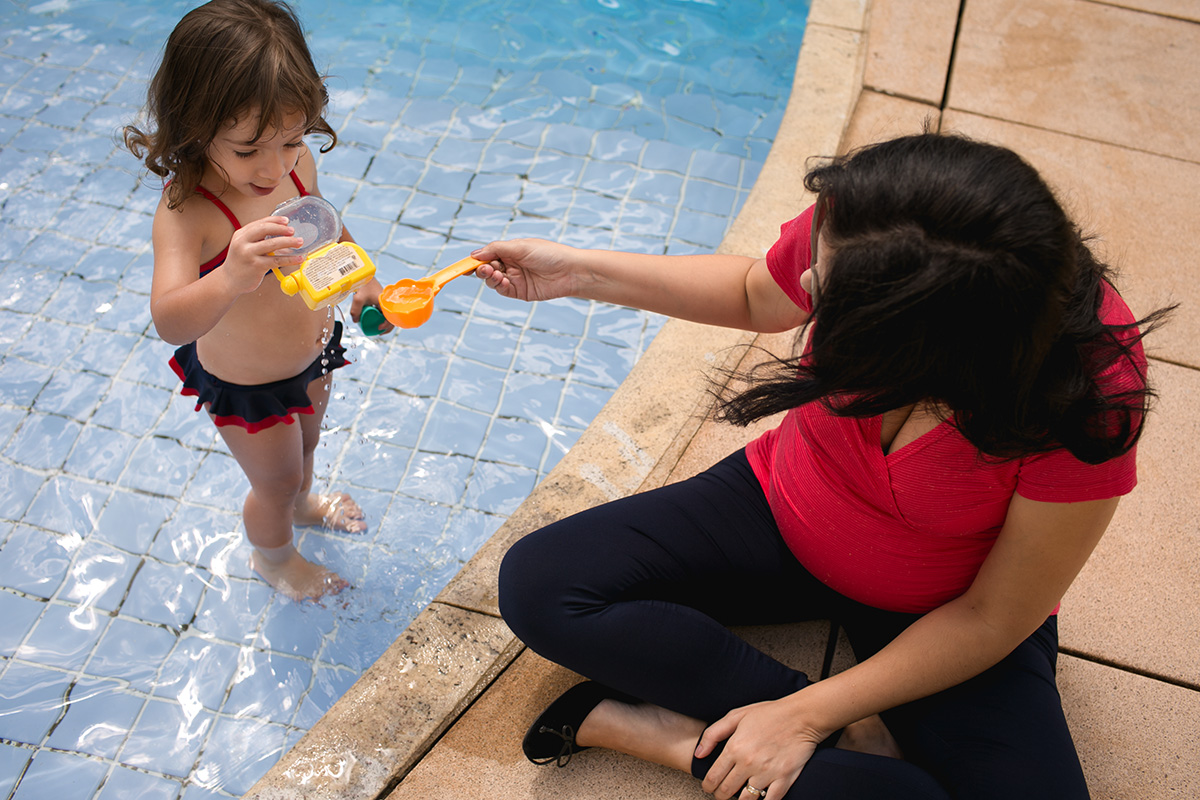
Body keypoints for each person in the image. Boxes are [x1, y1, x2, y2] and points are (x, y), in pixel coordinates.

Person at [472, 132, 1171, 799]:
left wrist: (803, 717)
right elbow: (754, 292)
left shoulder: (1087, 397)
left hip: (945, 608)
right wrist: (577, 271)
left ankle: (662, 736)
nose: (806, 279)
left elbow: (994, 616)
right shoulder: (878, 219)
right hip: (784, 513)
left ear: (924, 351)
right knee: (543, 585)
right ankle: (840, 735)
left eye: (827, 290)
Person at [123, 0, 392, 601]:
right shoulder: (188, 210)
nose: (275, 167)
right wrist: (229, 275)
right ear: (196, 130)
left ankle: (300, 506)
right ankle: (274, 556)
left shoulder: (294, 164)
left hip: (314, 349)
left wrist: (361, 278)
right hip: (247, 382)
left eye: (291, 139)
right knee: (273, 481)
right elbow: (169, 320)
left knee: (309, 446)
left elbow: (326, 226)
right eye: (248, 150)